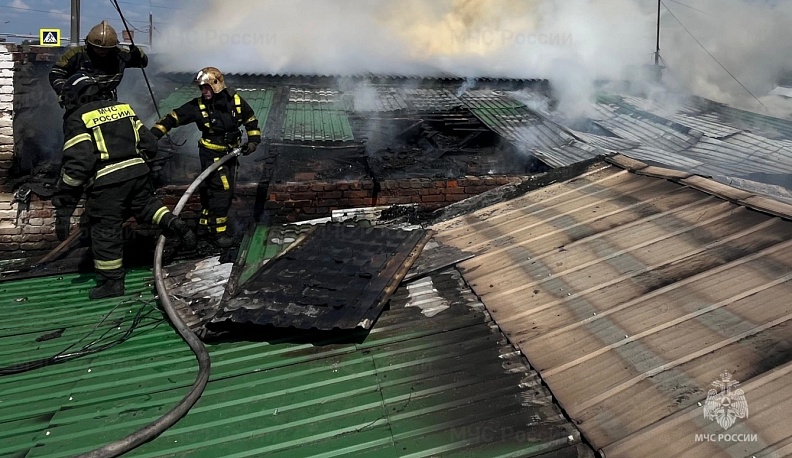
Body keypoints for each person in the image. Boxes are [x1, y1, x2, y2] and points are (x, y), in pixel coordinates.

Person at [52, 73, 196, 300]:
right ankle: (174, 223)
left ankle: (112, 282)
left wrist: (64, 198)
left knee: (105, 230)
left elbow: (79, 164)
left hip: (108, 183)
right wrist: (137, 164)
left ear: (75, 97)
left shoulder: (77, 118)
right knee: (147, 206)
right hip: (138, 173)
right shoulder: (122, 108)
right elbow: (149, 144)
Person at [150, 66, 261, 248]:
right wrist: (151, 137)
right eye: (201, 88)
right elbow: (172, 118)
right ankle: (218, 234)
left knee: (211, 190)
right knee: (222, 192)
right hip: (212, 155)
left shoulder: (236, 102)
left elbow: (250, 120)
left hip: (231, 154)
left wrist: (254, 140)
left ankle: (203, 227)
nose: (203, 91)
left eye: (206, 87)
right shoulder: (197, 106)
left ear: (216, 85)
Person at [49, 20, 148, 123]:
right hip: (79, 105)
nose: (102, 52)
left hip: (107, 106)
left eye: (106, 49)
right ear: (89, 43)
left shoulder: (120, 55)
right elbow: (56, 73)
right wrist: (64, 91)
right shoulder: (76, 54)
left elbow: (142, 63)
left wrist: (138, 54)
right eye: (97, 48)